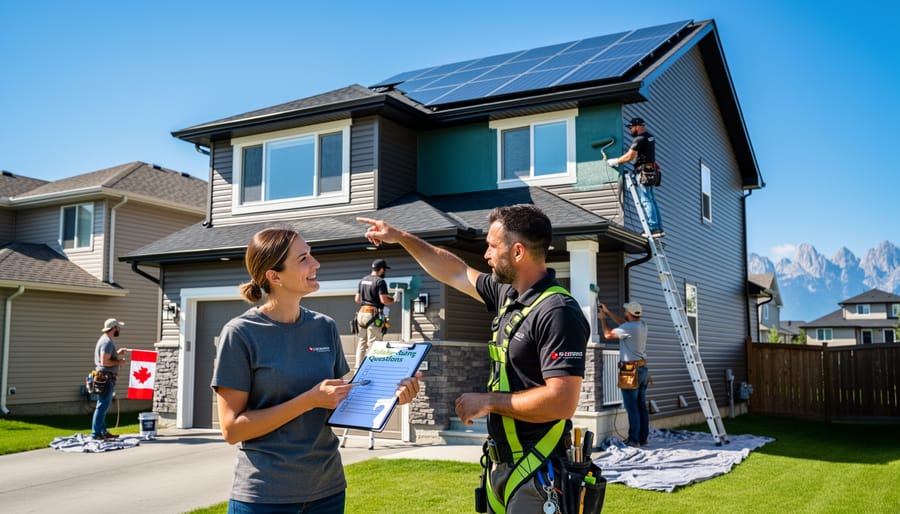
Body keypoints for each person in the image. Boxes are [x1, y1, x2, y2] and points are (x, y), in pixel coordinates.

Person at [358, 205, 590, 513]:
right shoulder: (507, 294)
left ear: (518, 252)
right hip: (501, 465)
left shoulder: (557, 311)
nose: (486, 254)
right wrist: (400, 237)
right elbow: (453, 270)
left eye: (493, 246)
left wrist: (489, 402)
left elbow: (562, 401)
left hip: (538, 470)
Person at [211, 227, 421, 514]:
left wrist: (393, 395)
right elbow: (232, 429)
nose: (316, 264)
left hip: (328, 490)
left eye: (311, 255)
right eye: (303, 258)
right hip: (265, 495)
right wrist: (308, 400)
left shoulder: (324, 327)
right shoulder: (240, 334)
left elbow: (339, 403)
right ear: (274, 276)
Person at [598, 301, 649, 447]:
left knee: (631, 406)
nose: (624, 312)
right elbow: (623, 324)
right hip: (643, 369)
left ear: (629, 313)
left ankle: (633, 440)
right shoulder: (642, 324)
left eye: (626, 311)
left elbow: (608, 334)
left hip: (630, 371)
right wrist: (608, 312)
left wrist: (603, 319)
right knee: (641, 406)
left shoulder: (628, 327)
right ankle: (643, 438)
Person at [607, 117, 665, 238]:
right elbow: (641, 154)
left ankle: (653, 228)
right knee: (652, 200)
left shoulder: (639, 139)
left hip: (643, 173)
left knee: (646, 200)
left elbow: (629, 157)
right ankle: (658, 228)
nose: (630, 130)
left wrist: (616, 161)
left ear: (637, 126)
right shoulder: (650, 137)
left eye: (631, 127)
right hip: (650, 171)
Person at [355, 258, 399, 369]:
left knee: (362, 343)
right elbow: (384, 300)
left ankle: (357, 370)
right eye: (385, 270)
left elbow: (357, 299)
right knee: (374, 343)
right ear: (382, 270)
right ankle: (371, 368)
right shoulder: (380, 281)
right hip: (373, 314)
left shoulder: (363, 280)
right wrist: (394, 299)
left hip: (361, 314)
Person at [92, 318, 128, 440]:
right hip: (105, 379)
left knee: (102, 406)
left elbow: (106, 357)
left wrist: (117, 353)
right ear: (113, 328)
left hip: (105, 378)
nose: (119, 329)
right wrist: (119, 362)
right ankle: (96, 434)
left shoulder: (106, 340)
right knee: (102, 407)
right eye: (118, 327)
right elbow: (104, 361)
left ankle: (102, 432)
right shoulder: (107, 342)